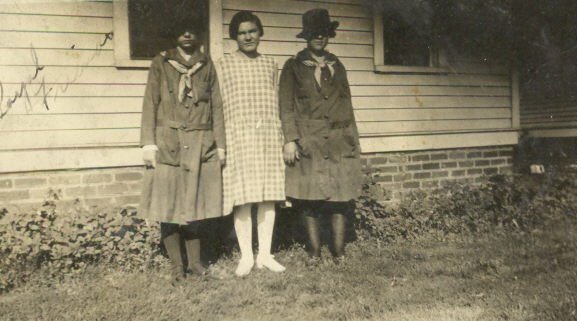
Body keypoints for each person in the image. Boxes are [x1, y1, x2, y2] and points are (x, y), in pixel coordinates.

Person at [139, 16, 226, 282]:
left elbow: (217, 107)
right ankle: (177, 266)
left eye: (192, 29)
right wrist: (148, 143)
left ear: (198, 34)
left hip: (200, 144)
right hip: (169, 142)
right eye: (181, 29)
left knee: (195, 205)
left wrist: (220, 144)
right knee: (169, 205)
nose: (187, 34)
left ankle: (196, 264)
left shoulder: (206, 64)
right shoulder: (161, 63)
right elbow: (150, 103)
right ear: (174, 34)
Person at [279, 9, 363, 262]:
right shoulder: (293, 66)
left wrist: (352, 139)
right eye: (314, 33)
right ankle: (314, 252)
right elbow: (286, 106)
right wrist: (290, 139)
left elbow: (347, 104)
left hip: (338, 140)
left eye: (323, 33)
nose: (319, 37)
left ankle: (338, 252)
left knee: (339, 196)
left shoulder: (337, 66)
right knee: (309, 197)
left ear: (329, 36)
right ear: (306, 36)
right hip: (308, 140)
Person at [218, 11, 286, 277]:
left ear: (260, 34)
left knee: (268, 197)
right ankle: (246, 256)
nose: (248, 36)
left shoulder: (271, 63)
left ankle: (265, 255)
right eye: (242, 32)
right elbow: (220, 104)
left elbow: (276, 100)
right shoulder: (223, 64)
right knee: (243, 198)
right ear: (234, 36)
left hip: (268, 135)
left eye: (252, 31)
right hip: (239, 136)